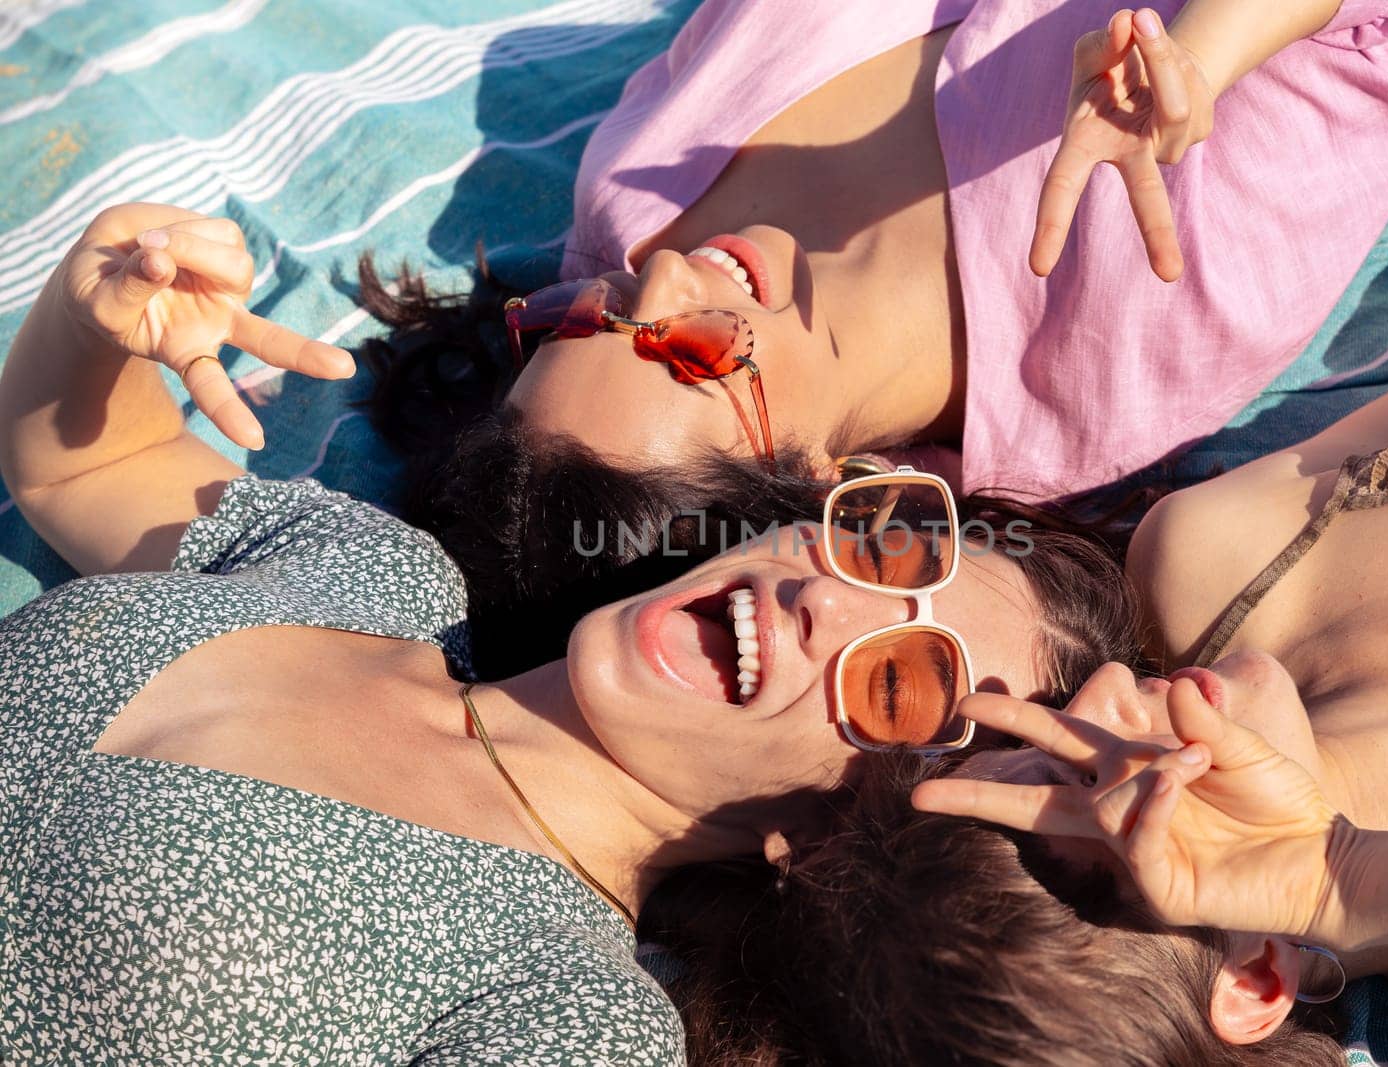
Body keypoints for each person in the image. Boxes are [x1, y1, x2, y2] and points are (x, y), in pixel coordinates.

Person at [0, 204, 1139, 1062]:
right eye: (882, 550)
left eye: (893, 687)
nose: (823, 599)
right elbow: (93, 462)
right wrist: (94, 311)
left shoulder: (561, 1008)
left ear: (832, 833)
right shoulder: (380, 576)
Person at [357, 0, 1388, 672]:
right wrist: (1203, 49)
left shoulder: (631, 200)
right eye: (686, 357)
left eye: (588, 318)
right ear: (809, 485)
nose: (656, 280)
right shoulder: (1131, 333)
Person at [793, 236, 1388, 1065]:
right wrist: (1338, 875)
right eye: (1104, 773)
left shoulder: (1215, 564)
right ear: (1255, 977)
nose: (1106, 685)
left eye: (1048, 731)